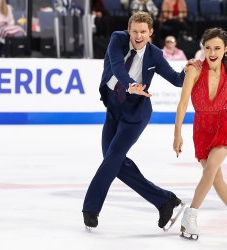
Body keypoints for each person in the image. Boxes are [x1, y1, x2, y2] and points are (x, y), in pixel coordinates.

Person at [82, 11, 200, 232]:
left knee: (113, 157)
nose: (138, 36)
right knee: (114, 162)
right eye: (135, 31)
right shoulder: (117, 39)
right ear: (128, 30)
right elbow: (117, 66)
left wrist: (188, 70)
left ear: (151, 33)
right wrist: (129, 84)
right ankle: (165, 201)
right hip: (114, 109)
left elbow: (176, 80)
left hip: (136, 114)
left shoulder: (154, 54)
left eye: (143, 32)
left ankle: (90, 209)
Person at [173, 27, 227, 241]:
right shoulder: (194, 70)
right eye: (208, 48)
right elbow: (183, 104)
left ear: (225, 50)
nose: (212, 52)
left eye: (217, 48)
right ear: (203, 49)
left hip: (224, 123)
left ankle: (191, 214)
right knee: (216, 178)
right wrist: (177, 134)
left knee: (211, 168)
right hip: (202, 127)